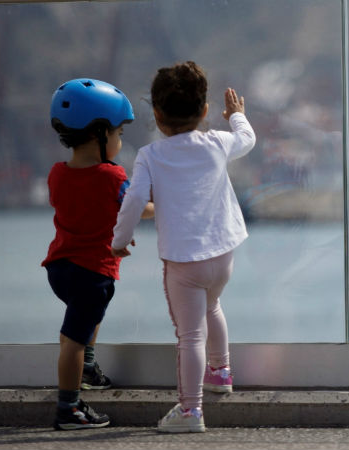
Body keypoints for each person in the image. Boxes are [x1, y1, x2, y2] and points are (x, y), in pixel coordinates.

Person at [111, 61, 256, 433]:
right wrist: (237, 116)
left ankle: (191, 411)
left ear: (157, 115)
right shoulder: (217, 142)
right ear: (205, 111)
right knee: (214, 305)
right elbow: (247, 139)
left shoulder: (150, 156)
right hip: (223, 254)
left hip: (184, 263)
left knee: (190, 335)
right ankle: (221, 372)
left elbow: (134, 201)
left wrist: (120, 240)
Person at [42, 78, 154, 430]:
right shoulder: (111, 176)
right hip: (91, 272)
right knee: (72, 339)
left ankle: (88, 368)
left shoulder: (57, 174)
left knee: (86, 320)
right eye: (120, 132)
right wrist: (164, 203)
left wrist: (113, 231)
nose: (121, 141)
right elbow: (135, 207)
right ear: (100, 133)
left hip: (60, 268)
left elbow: (84, 212)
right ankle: (69, 408)